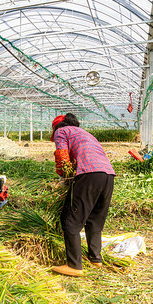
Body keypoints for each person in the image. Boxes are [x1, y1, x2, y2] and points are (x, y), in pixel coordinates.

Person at [50, 112, 116, 277]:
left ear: (57, 127)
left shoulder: (61, 132)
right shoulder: (86, 133)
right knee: (94, 220)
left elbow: (62, 156)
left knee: (71, 221)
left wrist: (63, 178)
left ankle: (74, 265)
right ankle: (96, 259)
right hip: (107, 175)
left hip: (88, 175)